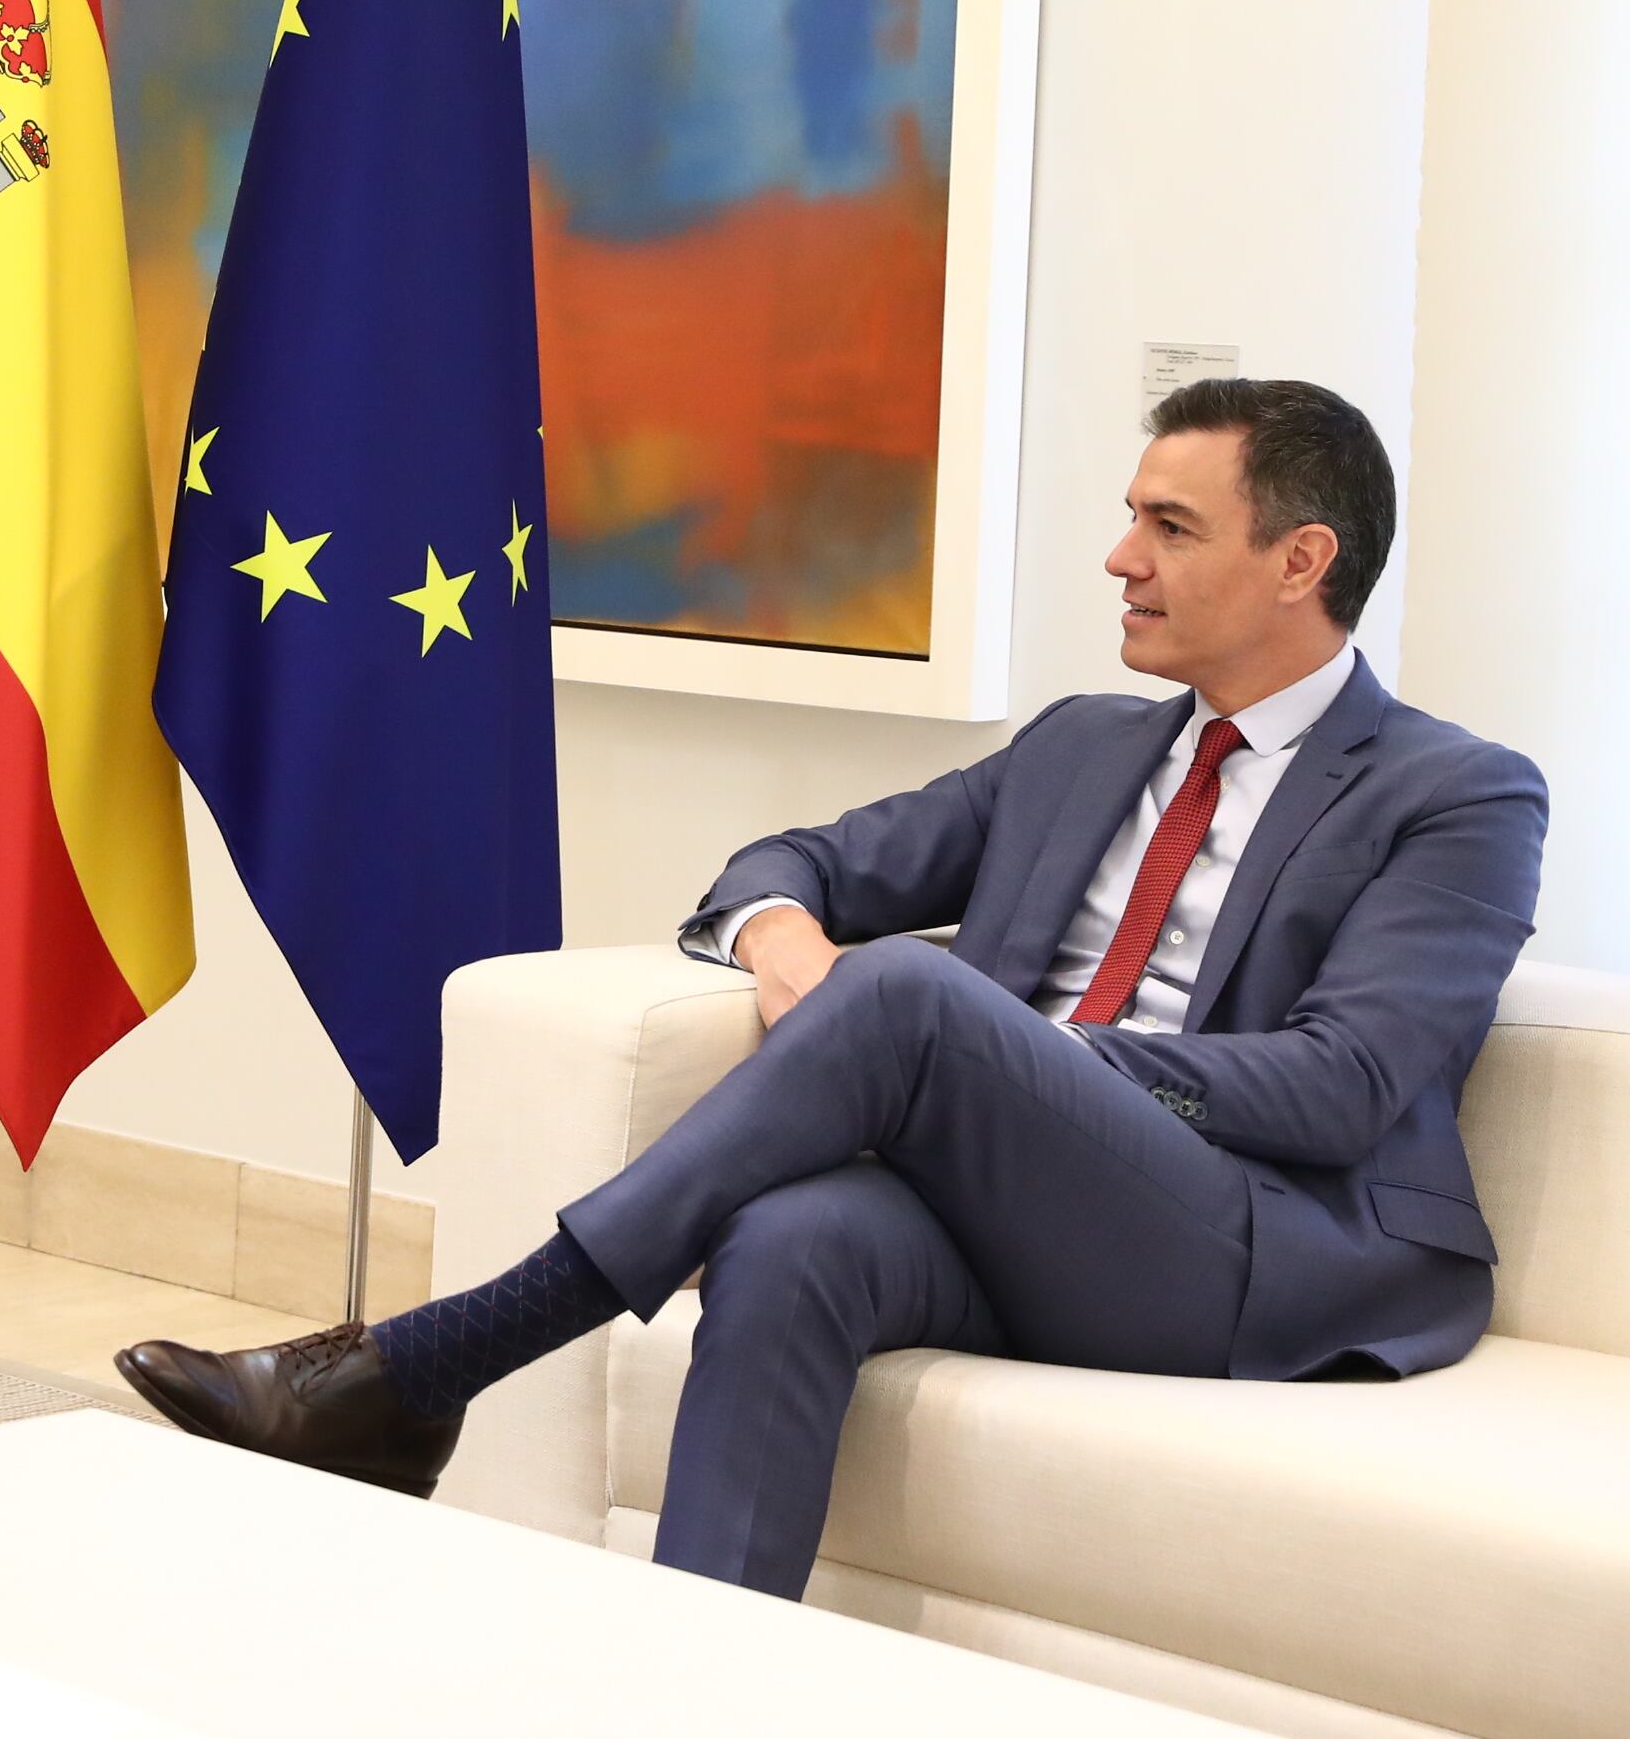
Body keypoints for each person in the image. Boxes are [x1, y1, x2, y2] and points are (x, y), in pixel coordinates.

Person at [117, 377, 1546, 1600]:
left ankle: (427, 1362)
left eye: (1170, 527)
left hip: (1250, 1246)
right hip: (1025, 1217)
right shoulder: (1084, 747)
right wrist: (784, 944)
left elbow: (1349, 1084)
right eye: (1130, 515)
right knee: (798, 1239)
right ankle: (699, 1694)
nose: (1120, 557)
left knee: (917, 1002)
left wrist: (1032, 1067)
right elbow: (785, 862)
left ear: (1303, 561)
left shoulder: (1457, 794)